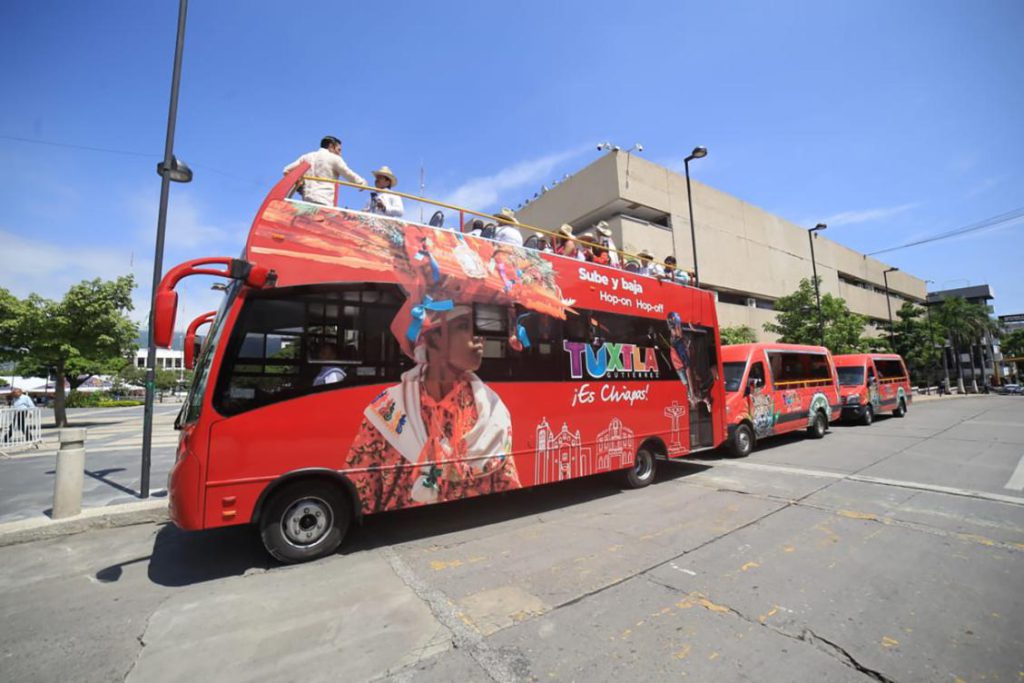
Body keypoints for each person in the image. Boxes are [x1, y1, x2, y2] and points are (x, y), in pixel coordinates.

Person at [343, 306, 519, 512]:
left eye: (480, 328)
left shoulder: (492, 412)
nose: (480, 337)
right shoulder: (388, 410)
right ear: (433, 337)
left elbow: (508, 493)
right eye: (464, 326)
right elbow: (361, 494)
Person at [282, 136, 367, 206]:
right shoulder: (334, 158)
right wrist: (361, 183)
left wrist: (300, 187)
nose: (340, 153)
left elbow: (286, 170)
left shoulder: (306, 157)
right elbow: (347, 173)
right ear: (331, 146)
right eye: (339, 150)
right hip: (324, 200)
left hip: (306, 201)